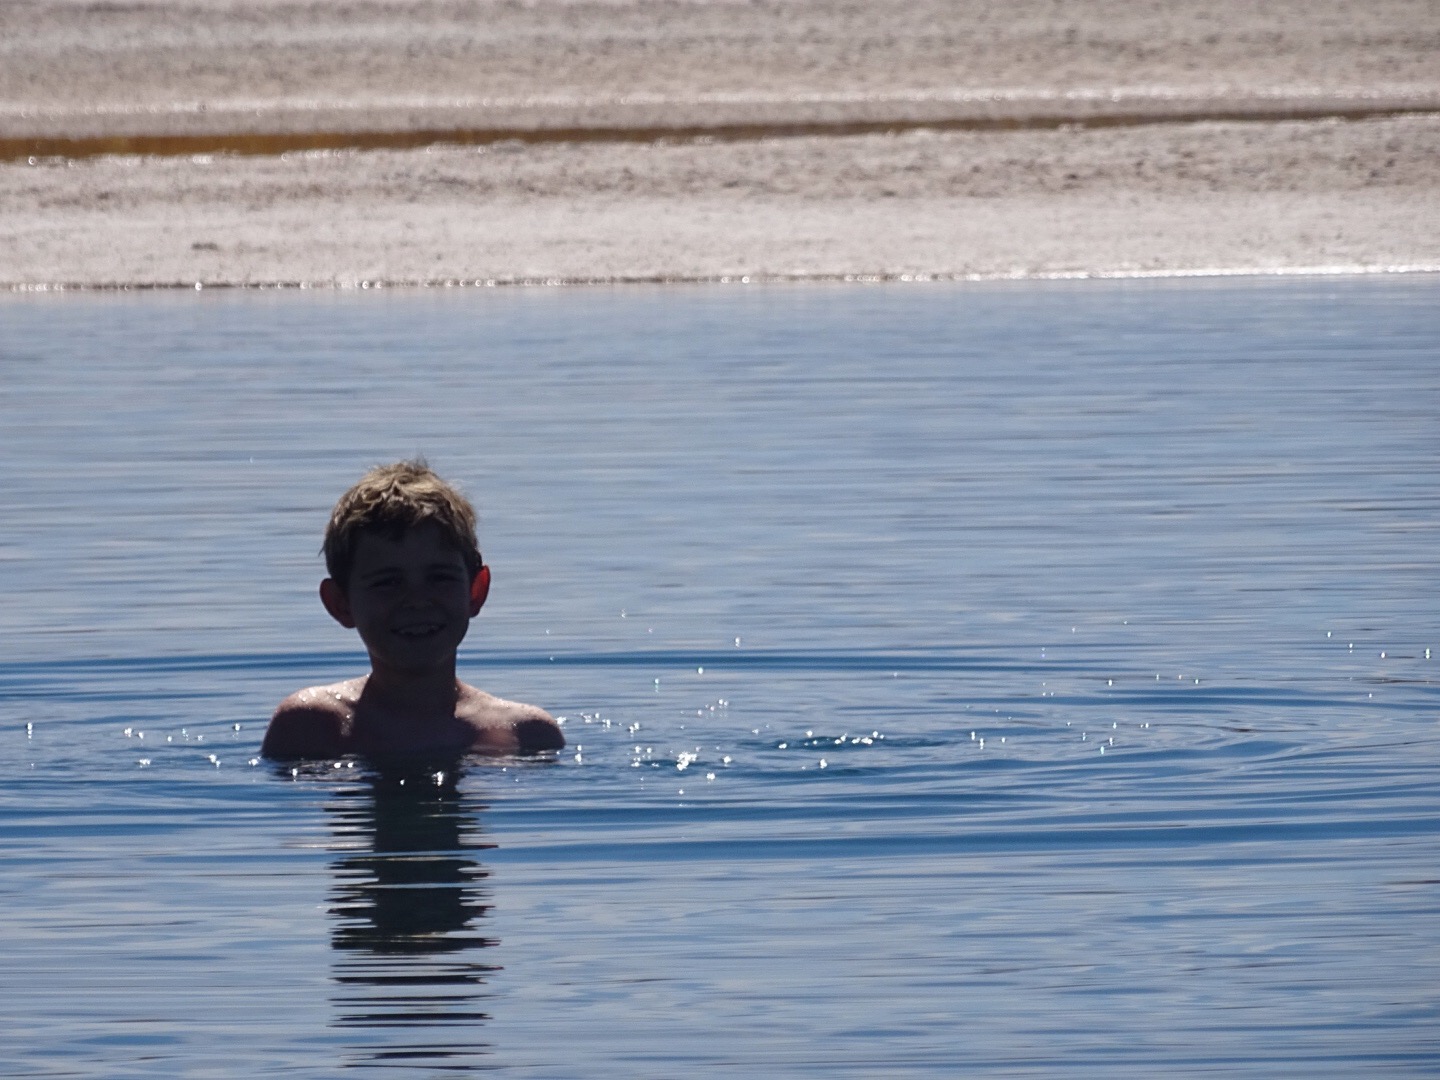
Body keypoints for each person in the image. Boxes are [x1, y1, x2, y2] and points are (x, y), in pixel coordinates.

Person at [262, 460, 564, 760]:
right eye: (388, 582)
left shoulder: (525, 736)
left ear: (476, 591)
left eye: (439, 578)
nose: (417, 601)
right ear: (340, 604)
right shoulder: (313, 728)